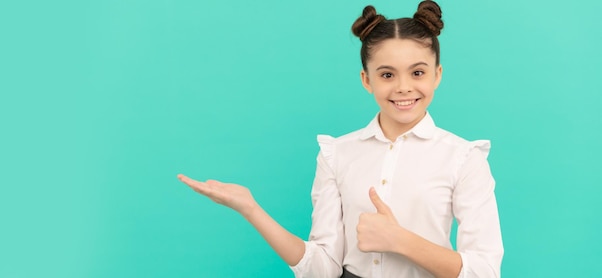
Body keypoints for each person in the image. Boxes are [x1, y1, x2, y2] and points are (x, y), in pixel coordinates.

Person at [177, 1, 503, 277]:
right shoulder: (337, 154)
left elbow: (485, 270)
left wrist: (399, 240)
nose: (403, 87)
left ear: (437, 75)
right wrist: (251, 209)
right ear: (367, 79)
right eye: (387, 74)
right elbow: (324, 267)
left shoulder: (464, 158)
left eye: (417, 72)